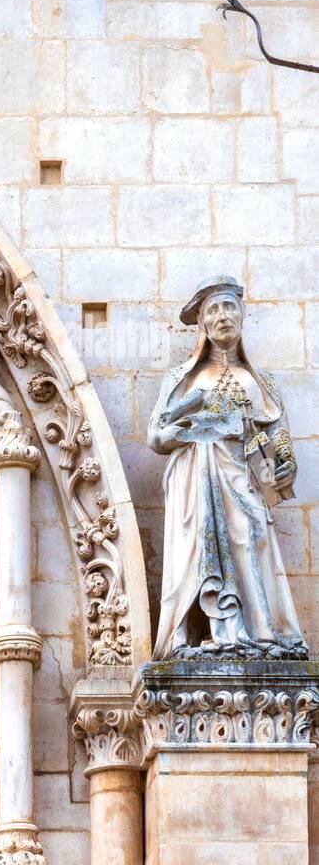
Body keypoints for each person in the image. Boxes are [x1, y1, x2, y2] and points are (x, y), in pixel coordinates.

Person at [148, 276, 306, 659]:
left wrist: (286, 464)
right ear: (202, 322)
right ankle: (215, 632)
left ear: (242, 314)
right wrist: (192, 431)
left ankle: (262, 634)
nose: (222, 316)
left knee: (252, 537)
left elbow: (277, 433)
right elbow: (157, 436)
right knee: (203, 544)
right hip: (197, 478)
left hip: (244, 478)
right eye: (213, 309)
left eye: (229, 307)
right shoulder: (182, 379)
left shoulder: (260, 380)